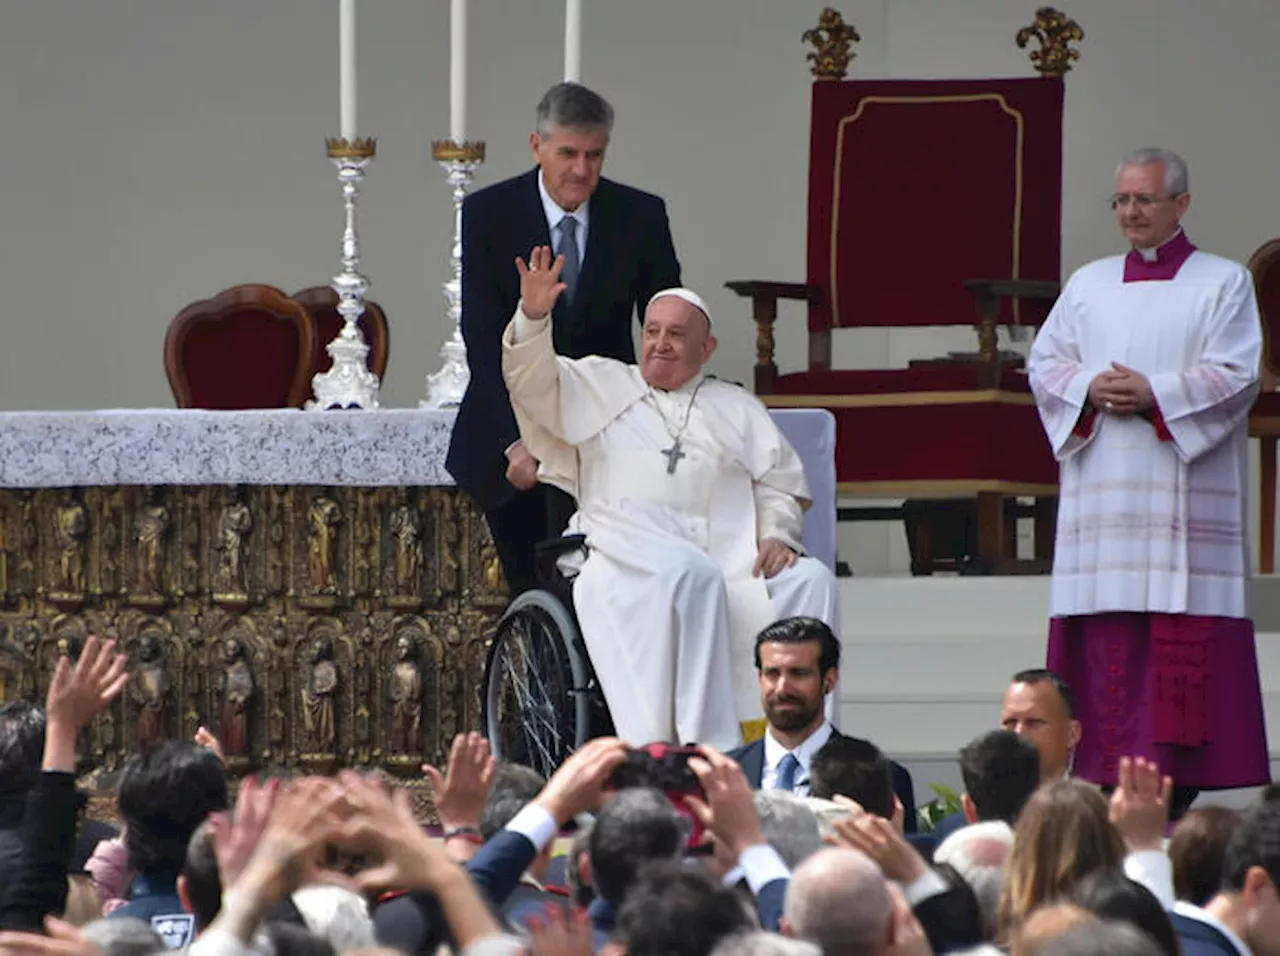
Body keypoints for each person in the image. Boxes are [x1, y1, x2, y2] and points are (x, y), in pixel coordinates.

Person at [501, 258, 839, 749]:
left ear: (707, 349)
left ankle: (809, 742)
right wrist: (533, 317)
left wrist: (776, 534)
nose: (660, 342)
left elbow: (777, 484)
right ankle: (705, 748)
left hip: (728, 556)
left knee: (811, 581)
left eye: (677, 335)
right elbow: (532, 382)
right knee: (690, 576)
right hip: (624, 553)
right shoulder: (603, 384)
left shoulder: (736, 406)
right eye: (653, 330)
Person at [1027, 146, 1270, 802]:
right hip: (1102, 509)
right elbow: (1045, 364)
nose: (1131, 213)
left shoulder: (1223, 282)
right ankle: (1100, 782)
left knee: (1175, 647)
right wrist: (1090, 386)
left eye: (1145, 199)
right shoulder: (1088, 283)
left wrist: (1155, 393)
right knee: (1104, 646)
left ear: (1181, 204)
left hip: (1180, 507)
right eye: (1122, 201)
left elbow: (1237, 373)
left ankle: (1175, 790)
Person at [447, 81, 681, 598]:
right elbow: (481, 337)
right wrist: (514, 443)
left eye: (594, 155)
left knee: (612, 591)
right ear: (537, 146)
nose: (581, 170)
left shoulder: (640, 216)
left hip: (606, 429)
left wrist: (668, 415)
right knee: (533, 590)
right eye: (568, 154)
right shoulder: (489, 214)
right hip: (514, 438)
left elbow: (665, 324)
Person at [730, 619, 915, 830]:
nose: (782, 688)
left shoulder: (881, 776)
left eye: (798, 673)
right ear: (759, 678)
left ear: (829, 679)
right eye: (772, 674)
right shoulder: (722, 775)